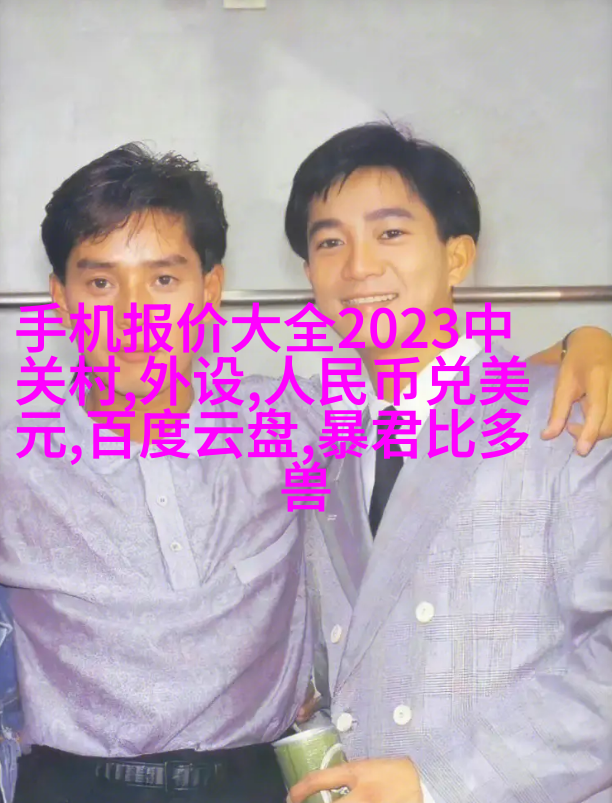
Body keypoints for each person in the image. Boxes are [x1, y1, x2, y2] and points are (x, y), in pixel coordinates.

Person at [0, 141, 611, 803]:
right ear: (60, 297)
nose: (133, 311)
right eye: (100, 283)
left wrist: (583, 345)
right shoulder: (14, 463)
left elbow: (446, 393)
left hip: (255, 783)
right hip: (70, 785)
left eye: (164, 280)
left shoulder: (288, 423)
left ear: (210, 290)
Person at [283, 123, 612, 803]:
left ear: (457, 257)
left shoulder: (563, 414)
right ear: (310, 274)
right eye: (330, 242)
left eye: (390, 233)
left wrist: (441, 783)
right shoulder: (324, 445)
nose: (359, 267)